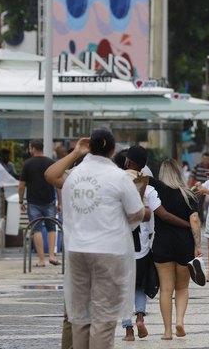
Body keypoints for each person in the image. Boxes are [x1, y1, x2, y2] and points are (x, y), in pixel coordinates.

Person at [61, 129, 145, 349]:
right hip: (108, 250)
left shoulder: (74, 177)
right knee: (104, 316)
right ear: (112, 148)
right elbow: (137, 212)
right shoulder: (118, 177)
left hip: (77, 250)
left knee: (80, 315)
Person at [151, 159, 202, 340]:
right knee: (182, 287)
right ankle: (180, 321)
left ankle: (167, 331)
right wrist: (198, 245)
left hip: (162, 243)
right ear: (179, 174)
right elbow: (194, 220)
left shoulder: (155, 192)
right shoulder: (189, 195)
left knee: (166, 288)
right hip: (184, 244)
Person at [18, 139, 60, 267]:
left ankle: (42, 260)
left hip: (33, 202)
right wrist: (60, 202)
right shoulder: (51, 163)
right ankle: (52, 256)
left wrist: (21, 201)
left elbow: (21, 186)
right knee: (52, 228)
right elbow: (58, 185)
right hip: (50, 201)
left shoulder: (27, 164)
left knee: (37, 229)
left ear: (33, 149)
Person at [188, 152, 209, 223]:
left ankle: (206, 220)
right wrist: (189, 189)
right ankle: (201, 220)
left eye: (207, 159)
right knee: (199, 204)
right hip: (198, 189)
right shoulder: (197, 166)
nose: (205, 160)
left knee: (208, 205)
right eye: (204, 158)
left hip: (208, 189)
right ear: (202, 158)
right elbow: (191, 177)